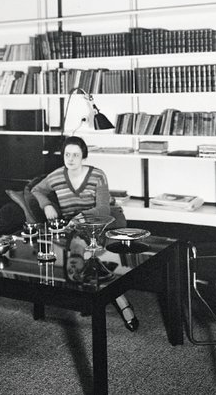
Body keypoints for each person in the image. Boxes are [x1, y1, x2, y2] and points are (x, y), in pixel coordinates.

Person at [32, 136, 139, 331]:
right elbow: (36, 190)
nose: (70, 159)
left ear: (83, 157)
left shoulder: (97, 175)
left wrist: (81, 216)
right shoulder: (56, 176)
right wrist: (46, 204)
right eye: (67, 154)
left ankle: (122, 305)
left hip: (107, 220)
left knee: (93, 253)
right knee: (88, 252)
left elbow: (104, 209)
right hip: (77, 227)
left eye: (75, 155)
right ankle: (117, 302)